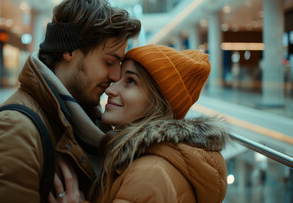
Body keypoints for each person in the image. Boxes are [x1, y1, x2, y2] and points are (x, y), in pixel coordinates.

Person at [0, 0, 141, 202]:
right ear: (70, 51)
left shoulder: (84, 120)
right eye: (109, 62)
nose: (115, 75)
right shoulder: (13, 133)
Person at [56, 44, 230, 203]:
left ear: (159, 101)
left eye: (130, 81)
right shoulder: (145, 159)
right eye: (116, 80)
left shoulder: (149, 174)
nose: (110, 89)